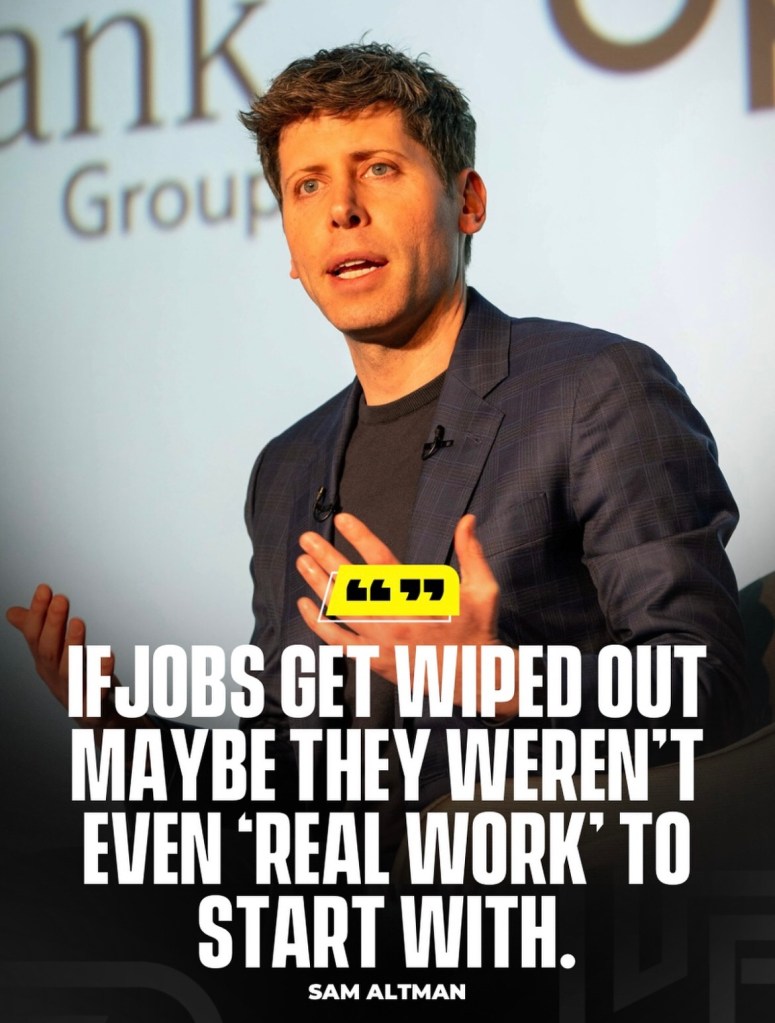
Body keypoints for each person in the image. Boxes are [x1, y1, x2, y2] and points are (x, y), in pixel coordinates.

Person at [7, 42, 750, 875]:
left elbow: (712, 692)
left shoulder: (594, 389)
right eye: (307, 185)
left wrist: (499, 681)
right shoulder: (286, 470)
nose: (341, 209)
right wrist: (123, 730)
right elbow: (283, 779)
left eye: (380, 169)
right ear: (291, 247)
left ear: (467, 202)